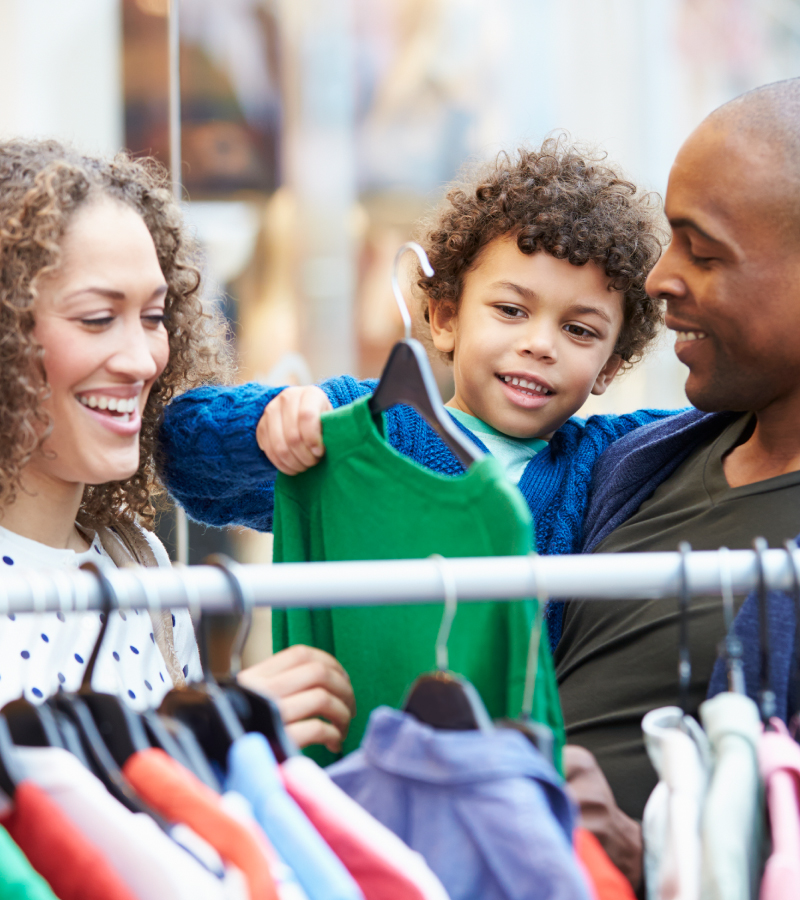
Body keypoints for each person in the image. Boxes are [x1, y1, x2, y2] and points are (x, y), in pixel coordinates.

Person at [157, 137, 673, 753]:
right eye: (511, 310)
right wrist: (278, 419)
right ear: (446, 317)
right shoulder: (368, 426)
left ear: (610, 368)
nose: (541, 344)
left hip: (513, 781)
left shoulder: (607, 458)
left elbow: (728, 419)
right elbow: (183, 442)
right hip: (353, 769)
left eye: (579, 330)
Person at [0, 139, 355, 747]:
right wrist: (208, 727)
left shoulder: (138, 559)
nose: (142, 360)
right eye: (96, 319)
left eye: (154, 317)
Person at [553, 76, 800, 891]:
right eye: (669, 240)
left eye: (702, 249)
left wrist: (640, 850)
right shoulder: (632, 464)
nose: (658, 279)